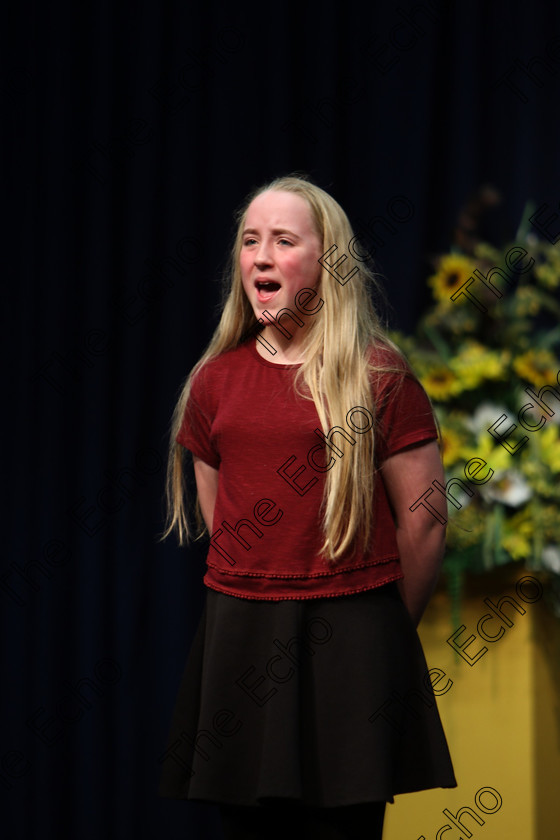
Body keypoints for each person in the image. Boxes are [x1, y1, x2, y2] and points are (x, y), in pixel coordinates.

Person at [158, 174, 456, 839]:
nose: (261, 256)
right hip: (242, 632)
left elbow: (426, 518)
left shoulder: (378, 374)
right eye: (250, 241)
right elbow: (221, 514)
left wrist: (375, 627)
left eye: (284, 241)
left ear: (328, 262)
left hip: (350, 634)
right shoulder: (215, 379)